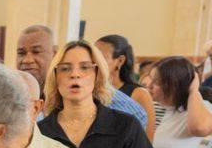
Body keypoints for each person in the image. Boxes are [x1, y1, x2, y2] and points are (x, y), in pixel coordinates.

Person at [16, 24, 151, 129]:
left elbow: (138, 118)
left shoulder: (93, 92)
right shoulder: (18, 93)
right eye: (21, 53)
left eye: (36, 52)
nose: (27, 60)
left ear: (55, 53)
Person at [96, 33, 156, 136]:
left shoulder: (139, 94)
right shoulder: (90, 89)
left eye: (101, 58)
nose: (95, 62)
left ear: (120, 60)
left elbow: (147, 140)